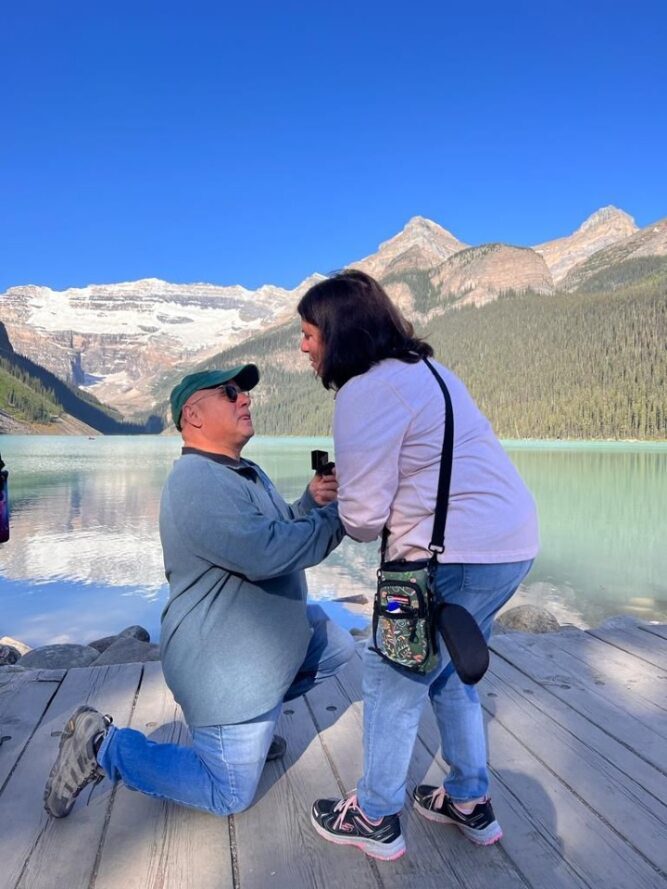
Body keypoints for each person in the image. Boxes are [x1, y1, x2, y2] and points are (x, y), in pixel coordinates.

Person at [298, 270, 539, 861]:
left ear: (338, 333)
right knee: (450, 672)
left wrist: (340, 493)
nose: (303, 347)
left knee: (393, 676)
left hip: (444, 559)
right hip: (510, 545)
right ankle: (468, 800)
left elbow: (361, 521)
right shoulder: (431, 372)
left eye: (308, 334)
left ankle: (376, 814)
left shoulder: (365, 391)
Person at [44, 364, 354, 819]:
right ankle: (100, 745)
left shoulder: (240, 471)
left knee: (336, 645)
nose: (245, 399)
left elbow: (272, 528)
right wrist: (344, 515)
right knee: (227, 793)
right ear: (193, 415)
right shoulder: (195, 482)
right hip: (221, 668)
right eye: (231, 393)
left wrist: (310, 503)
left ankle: (253, 727)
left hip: (255, 651)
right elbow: (265, 552)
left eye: (244, 393)